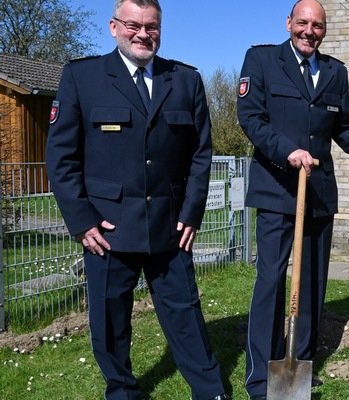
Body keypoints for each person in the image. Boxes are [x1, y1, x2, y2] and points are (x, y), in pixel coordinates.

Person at [44, 1, 229, 399]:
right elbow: (61, 157)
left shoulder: (186, 80)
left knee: (186, 316)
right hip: (108, 230)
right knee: (110, 324)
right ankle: (123, 391)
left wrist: (192, 212)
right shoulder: (82, 77)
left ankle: (210, 390)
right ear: (114, 27)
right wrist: (81, 220)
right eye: (133, 25)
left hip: (170, 227)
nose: (143, 34)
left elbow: (200, 154)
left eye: (152, 27)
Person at [236, 0, 349, 398]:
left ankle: (300, 364)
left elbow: (344, 127)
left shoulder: (335, 71)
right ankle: (260, 375)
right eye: (303, 23)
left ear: (324, 30)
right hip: (278, 188)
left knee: (311, 285)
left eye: (317, 25)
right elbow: (251, 118)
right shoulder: (262, 61)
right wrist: (286, 151)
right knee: (271, 280)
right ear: (289, 23)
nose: (309, 31)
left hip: (318, 193)